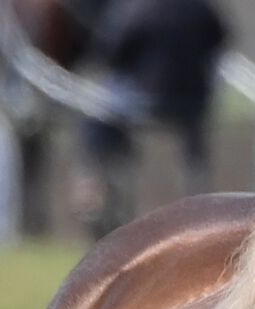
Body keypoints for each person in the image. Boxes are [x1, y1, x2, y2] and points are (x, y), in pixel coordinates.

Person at [75, 0, 228, 237]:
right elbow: (220, 39)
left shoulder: (136, 8)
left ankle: (95, 186)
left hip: (145, 98)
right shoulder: (202, 8)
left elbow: (110, 50)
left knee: (95, 113)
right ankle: (198, 181)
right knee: (194, 133)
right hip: (194, 101)